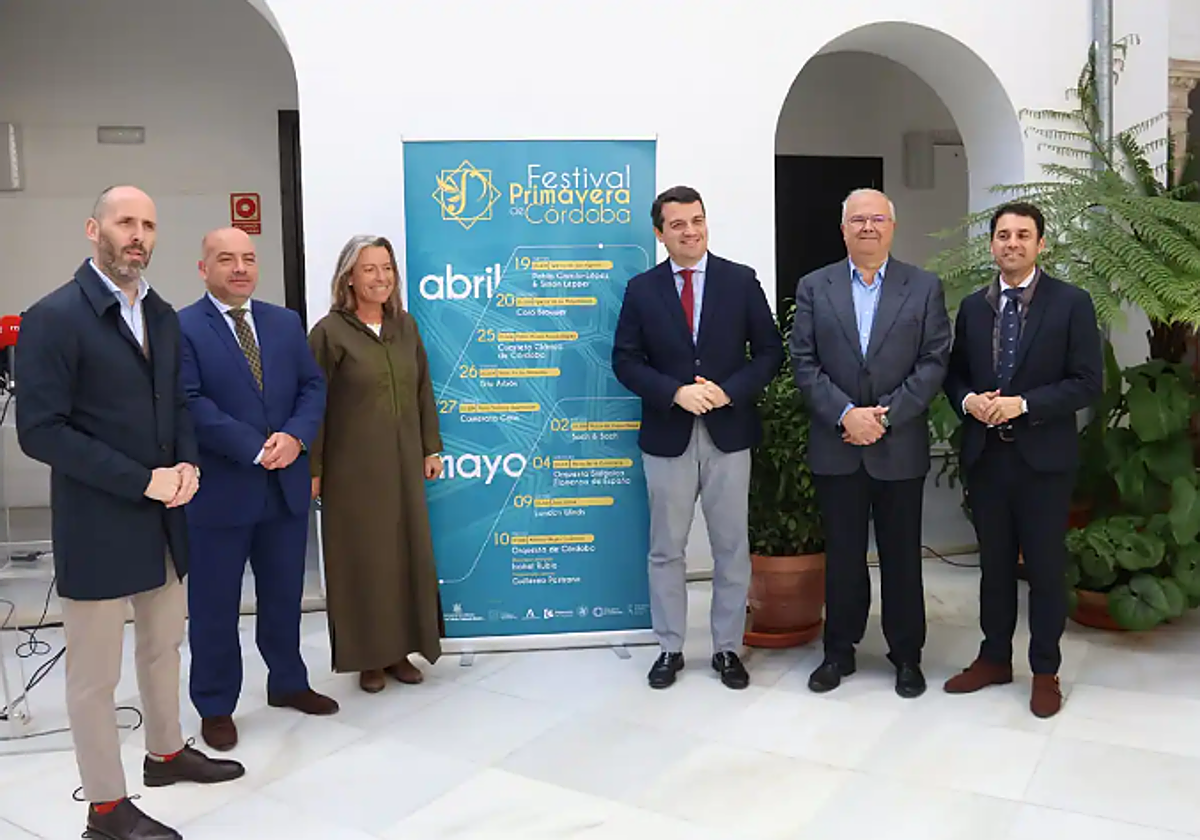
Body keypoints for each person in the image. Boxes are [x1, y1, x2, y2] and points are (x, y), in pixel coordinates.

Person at [15, 186, 243, 840]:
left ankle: (167, 755)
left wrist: (190, 466)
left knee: (164, 647)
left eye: (148, 223)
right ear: (94, 229)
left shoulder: (163, 315)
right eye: (125, 222)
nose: (137, 234)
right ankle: (107, 810)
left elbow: (177, 404)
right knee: (94, 676)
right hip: (99, 519)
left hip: (167, 512)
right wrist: (143, 481)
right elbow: (42, 431)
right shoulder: (53, 317)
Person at [613, 185, 784, 691]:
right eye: (678, 224)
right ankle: (669, 646)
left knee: (732, 545)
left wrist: (727, 392)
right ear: (660, 233)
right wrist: (674, 393)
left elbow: (770, 353)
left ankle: (728, 648)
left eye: (697, 220)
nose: (691, 231)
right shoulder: (642, 290)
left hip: (729, 433)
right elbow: (624, 360)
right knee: (666, 547)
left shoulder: (740, 280)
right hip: (668, 434)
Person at [178, 227, 338, 752]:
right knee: (215, 606)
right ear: (204, 268)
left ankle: (287, 682)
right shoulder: (181, 328)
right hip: (222, 492)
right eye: (226, 259)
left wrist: (295, 437)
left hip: (284, 488)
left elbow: (313, 386)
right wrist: (254, 445)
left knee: (283, 597)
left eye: (248, 258)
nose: (240, 268)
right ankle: (216, 703)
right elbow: (190, 401)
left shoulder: (284, 322)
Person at [942, 201, 1102, 718]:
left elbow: (1086, 383)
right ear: (992, 244)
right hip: (988, 457)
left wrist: (1024, 404)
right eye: (1003, 235)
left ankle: (1044, 670)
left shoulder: (1071, 303)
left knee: (1045, 569)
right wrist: (970, 403)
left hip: (1043, 461)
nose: (1012, 243)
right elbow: (955, 373)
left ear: (1040, 244)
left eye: (1023, 235)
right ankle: (993, 658)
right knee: (992, 567)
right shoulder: (973, 306)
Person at [790, 188, 951, 699]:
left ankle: (907, 656)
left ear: (892, 227)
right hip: (838, 444)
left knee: (903, 557)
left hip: (897, 444)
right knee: (842, 557)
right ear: (843, 230)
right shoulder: (815, 287)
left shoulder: (922, 287)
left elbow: (934, 361)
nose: (867, 227)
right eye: (857, 220)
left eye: (876, 219)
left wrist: (885, 416)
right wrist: (845, 414)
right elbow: (803, 360)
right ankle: (839, 652)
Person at [308, 235, 444, 694]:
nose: (381, 277)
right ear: (349, 276)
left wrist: (431, 447)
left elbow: (423, 387)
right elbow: (314, 406)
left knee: (405, 556)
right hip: (353, 472)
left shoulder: (404, 326)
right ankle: (368, 657)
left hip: (404, 464)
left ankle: (400, 650)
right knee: (363, 562)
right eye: (370, 269)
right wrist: (314, 469)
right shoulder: (329, 333)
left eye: (387, 268)